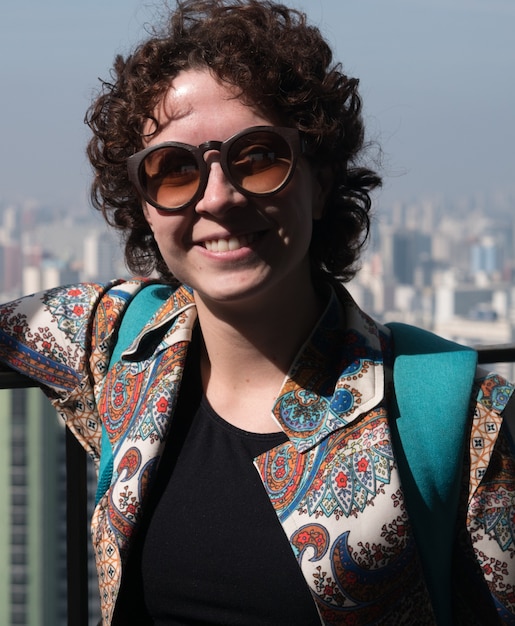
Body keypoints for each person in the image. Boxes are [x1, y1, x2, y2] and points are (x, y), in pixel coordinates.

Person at [1, 1, 514, 624]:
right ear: (144, 209)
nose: (218, 197)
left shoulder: (457, 419)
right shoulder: (122, 346)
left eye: (258, 157)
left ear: (320, 181)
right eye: (173, 170)